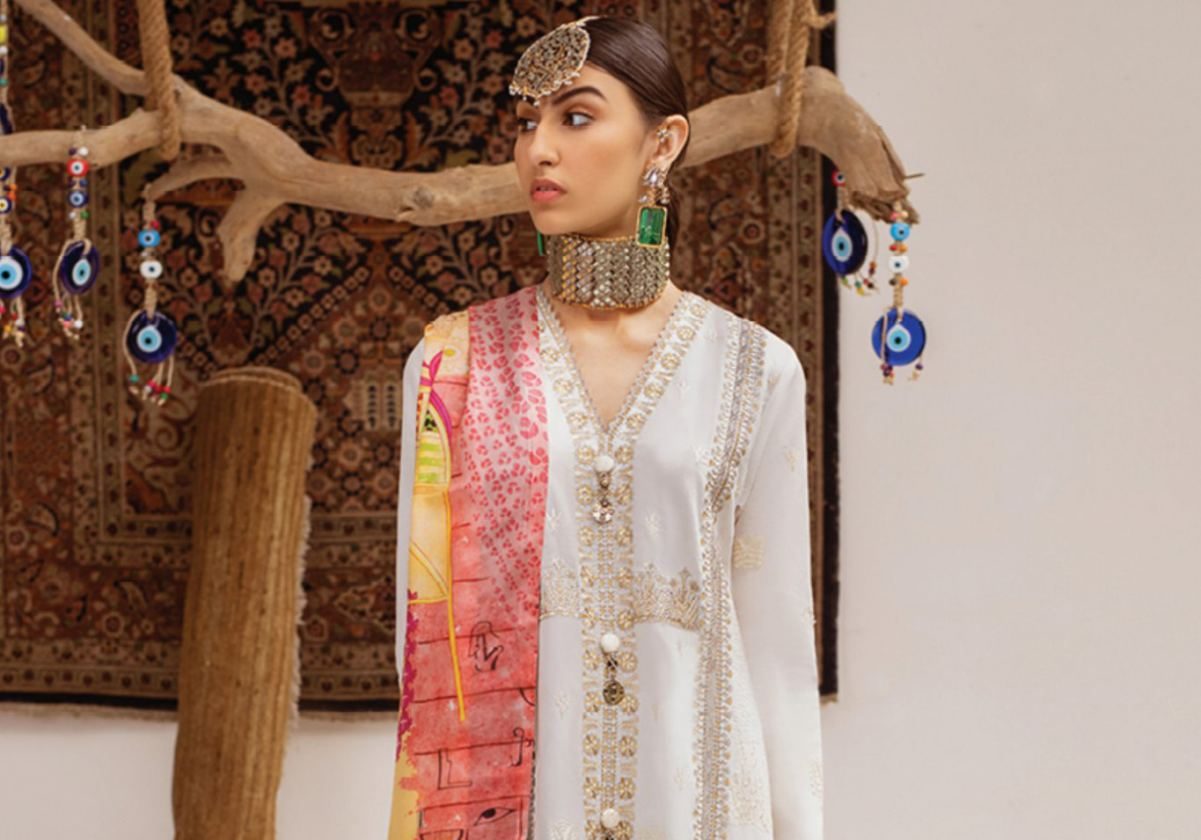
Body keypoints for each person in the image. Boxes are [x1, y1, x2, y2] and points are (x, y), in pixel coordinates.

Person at [388, 15, 823, 840]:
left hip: (697, 805)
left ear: (662, 142)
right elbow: (426, 649)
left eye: (575, 117)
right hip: (521, 810)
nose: (538, 150)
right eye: (526, 122)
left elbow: (775, 642)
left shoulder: (752, 369)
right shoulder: (454, 365)